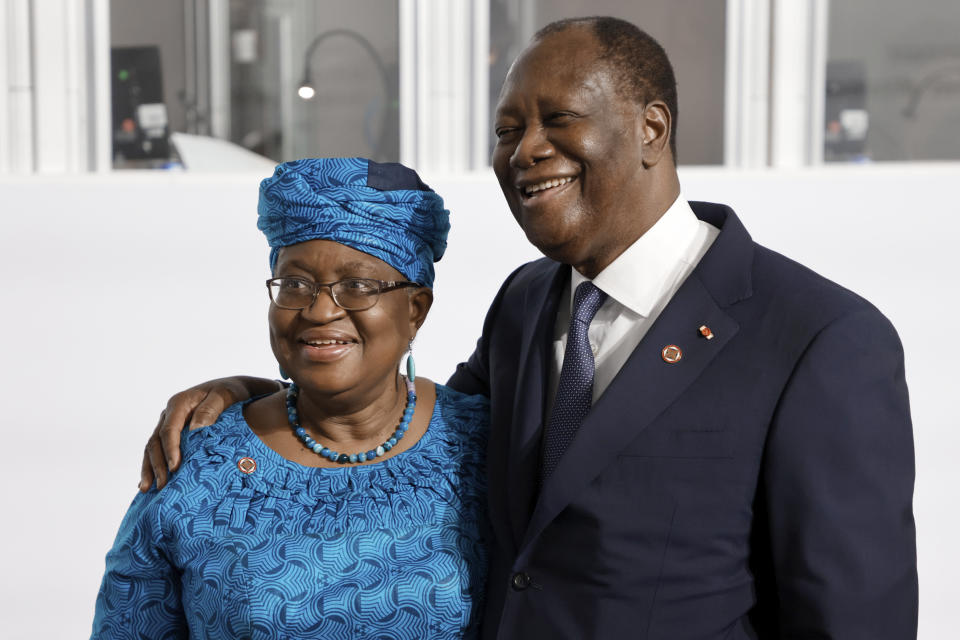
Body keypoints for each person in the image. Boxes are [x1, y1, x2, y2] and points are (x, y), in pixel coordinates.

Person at [138, 17, 918, 639]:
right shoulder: (527, 301)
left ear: (652, 127)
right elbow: (422, 433)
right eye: (508, 130)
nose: (525, 151)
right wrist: (263, 398)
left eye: (557, 119)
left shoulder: (819, 340)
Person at [93, 157, 490, 639]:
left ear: (415, 309)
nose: (321, 309)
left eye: (357, 286)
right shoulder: (197, 461)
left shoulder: (487, 446)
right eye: (296, 284)